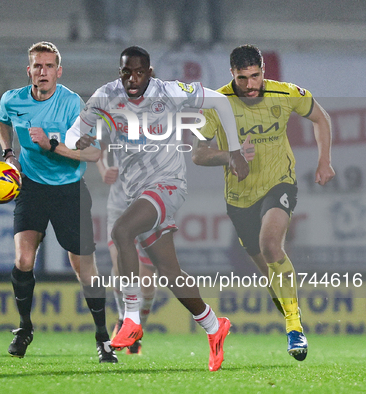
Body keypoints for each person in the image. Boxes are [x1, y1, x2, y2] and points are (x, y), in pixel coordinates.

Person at [66, 46, 249, 371]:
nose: (132, 79)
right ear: (120, 73)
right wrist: (79, 141)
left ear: (150, 73)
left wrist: (233, 149)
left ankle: (132, 319)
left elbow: (220, 101)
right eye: (126, 73)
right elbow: (73, 135)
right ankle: (213, 325)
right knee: (170, 273)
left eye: (139, 72)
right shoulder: (105, 96)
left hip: (168, 184)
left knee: (122, 231)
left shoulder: (171, 92)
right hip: (137, 191)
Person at [192, 44, 335, 361]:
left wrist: (324, 161)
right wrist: (230, 156)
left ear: (263, 72)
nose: (250, 85)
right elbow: (198, 154)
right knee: (270, 276)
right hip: (239, 198)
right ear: (232, 74)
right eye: (242, 78)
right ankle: (290, 317)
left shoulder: (285, 94)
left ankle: (295, 328)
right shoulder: (217, 104)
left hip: (279, 182)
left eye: (255, 76)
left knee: (271, 245)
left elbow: (321, 118)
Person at [0, 41, 117, 363]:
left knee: (84, 269)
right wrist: (8, 153)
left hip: (69, 191)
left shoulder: (73, 105)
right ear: (29, 70)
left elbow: (93, 153)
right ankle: (24, 328)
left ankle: (103, 337)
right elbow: (2, 119)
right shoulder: (13, 99)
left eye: (49, 66)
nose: (43, 72)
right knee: (23, 259)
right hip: (31, 187)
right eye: (38, 66)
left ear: (58, 72)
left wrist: (55, 147)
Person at [96, 146, 157, 355]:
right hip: (119, 207)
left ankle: (137, 331)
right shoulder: (116, 117)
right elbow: (99, 147)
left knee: (147, 281)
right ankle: (125, 320)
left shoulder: (162, 122)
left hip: (152, 207)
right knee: (120, 265)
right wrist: (103, 168)